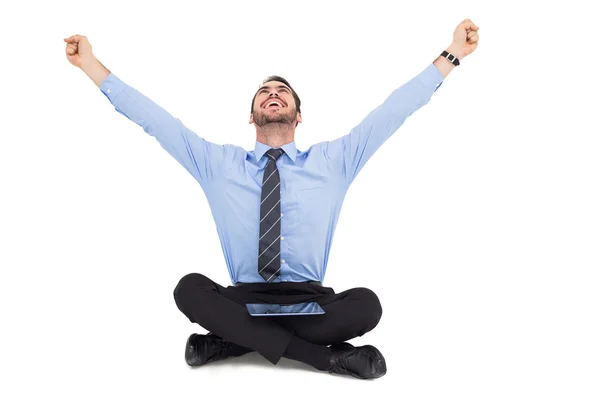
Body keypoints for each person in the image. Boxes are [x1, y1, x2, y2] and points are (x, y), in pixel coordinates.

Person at [64, 19, 479, 379]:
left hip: (309, 303)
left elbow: (394, 110)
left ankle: (233, 343)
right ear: (252, 116)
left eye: (282, 91)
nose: (273, 93)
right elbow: (153, 119)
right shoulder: (217, 164)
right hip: (244, 299)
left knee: (367, 306)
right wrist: (89, 65)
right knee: (188, 289)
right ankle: (322, 361)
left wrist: (452, 55)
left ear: (298, 115)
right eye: (264, 92)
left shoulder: (334, 161)